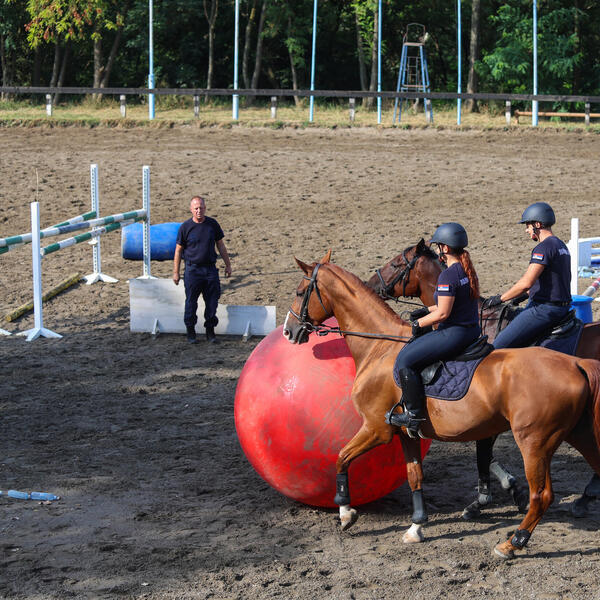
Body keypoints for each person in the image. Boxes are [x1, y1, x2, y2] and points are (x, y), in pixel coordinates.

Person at [387, 222, 481, 438]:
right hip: (470, 330)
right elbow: (451, 303)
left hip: (454, 332)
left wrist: (418, 324)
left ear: (445, 248)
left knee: (405, 360)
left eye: (439, 246)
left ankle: (413, 415)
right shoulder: (464, 270)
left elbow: (443, 314)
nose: (438, 250)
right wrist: (425, 311)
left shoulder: (448, 275)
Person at [484, 202, 571, 349]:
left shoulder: (543, 248)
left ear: (537, 224)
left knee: (497, 347)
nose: (526, 230)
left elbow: (526, 283)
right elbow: (552, 281)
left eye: (528, 225)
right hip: (562, 306)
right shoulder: (561, 245)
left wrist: (500, 299)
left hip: (544, 309)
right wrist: (523, 296)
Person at [173, 196, 232, 344]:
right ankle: (191, 331)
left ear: (205, 208)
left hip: (210, 270)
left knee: (212, 302)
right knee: (191, 302)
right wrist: (176, 272)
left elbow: (220, 245)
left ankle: (210, 332)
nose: (199, 211)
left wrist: (228, 264)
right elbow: (178, 251)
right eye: (196, 208)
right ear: (191, 209)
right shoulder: (185, 227)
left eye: (201, 208)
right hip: (192, 270)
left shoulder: (212, 224)